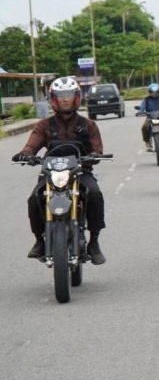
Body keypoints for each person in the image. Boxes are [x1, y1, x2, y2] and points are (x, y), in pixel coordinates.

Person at [12, 76, 107, 264]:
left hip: (80, 172)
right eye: (61, 95)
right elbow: (31, 145)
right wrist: (25, 154)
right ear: (54, 98)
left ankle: (94, 242)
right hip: (51, 174)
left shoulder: (88, 125)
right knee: (34, 199)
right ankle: (39, 240)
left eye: (69, 95)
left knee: (95, 194)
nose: (65, 99)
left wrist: (94, 154)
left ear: (76, 97)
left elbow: (97, 150)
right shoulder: (44, 125)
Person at [137, 83, 159, 150]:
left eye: (156, 92)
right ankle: (147, 142)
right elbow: (142, 107)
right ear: (150, 92)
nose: (155, 94)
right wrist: (140, 112)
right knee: (144, 127)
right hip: (150, 117)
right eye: (153, 92)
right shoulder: (146, 99)